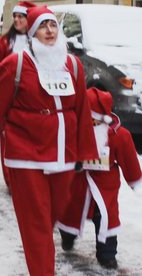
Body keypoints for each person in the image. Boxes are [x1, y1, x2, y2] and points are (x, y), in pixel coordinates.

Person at [0, 6, 98, 275]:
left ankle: (41, 257)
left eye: (53, 26)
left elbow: (81, 110)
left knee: (50, 217)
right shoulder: (17, 63)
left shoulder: (73, 65)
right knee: (36, 223)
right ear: (33, 32)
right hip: (26, 154)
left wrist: (84, 151)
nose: (49, 31)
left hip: (63, 154)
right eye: (43, 26)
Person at [57, 88, 142, 270]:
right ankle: (67, 237)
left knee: (106, 218)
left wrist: (135, 180)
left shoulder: (118, 135)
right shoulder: (74, 129)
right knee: (70, 211)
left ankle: (107, 254)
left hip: (105, 187)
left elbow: (128, 159)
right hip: (77, 183)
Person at [0, 0, 36, 189]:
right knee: (9, 141)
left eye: (21, 16)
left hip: (32, 103)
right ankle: (12, 182)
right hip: (9, 100)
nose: (17, 20)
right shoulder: (4, 42)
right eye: (15, 16)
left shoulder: (37, 42)